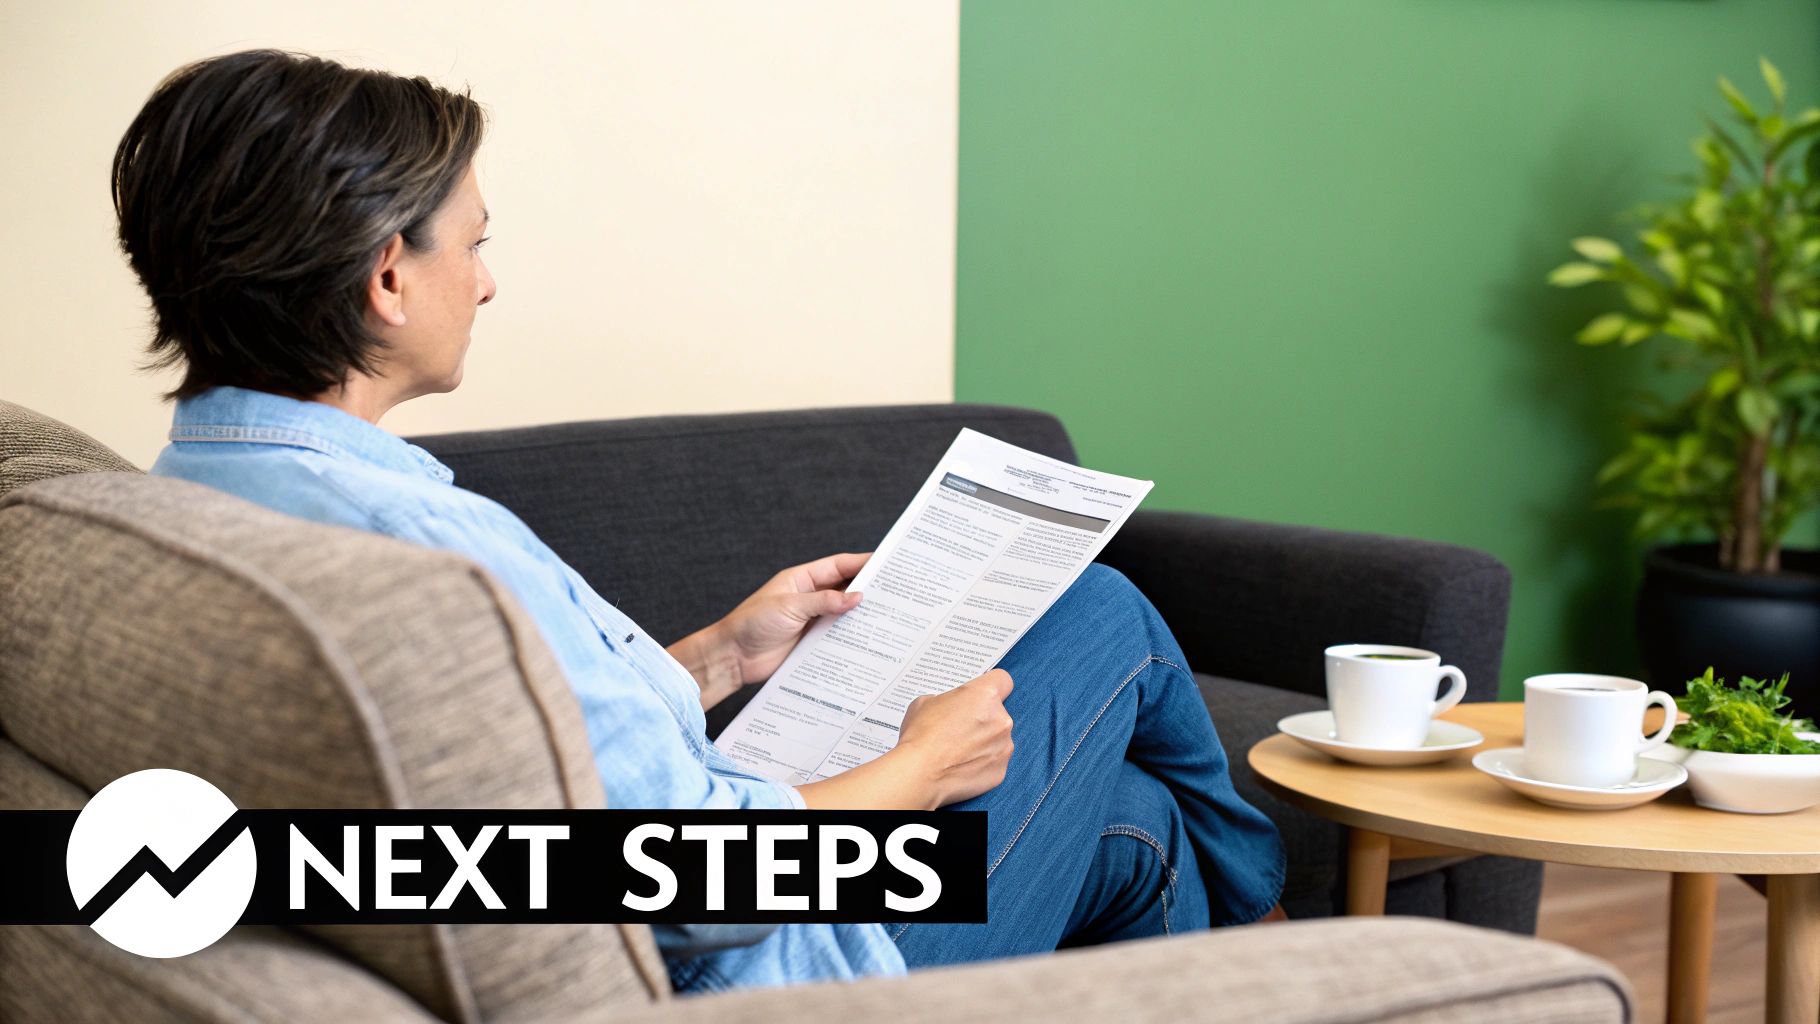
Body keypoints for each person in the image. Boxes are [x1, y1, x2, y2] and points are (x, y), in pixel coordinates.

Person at [122, 50, 1285, 992]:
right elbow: (689, 889)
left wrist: (721, 654)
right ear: (387, 277)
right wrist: (919, 768)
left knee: (1130, 824)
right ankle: (1286, 928)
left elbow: (516, 758)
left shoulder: (193, 487)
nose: (484, 283)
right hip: (782, 967)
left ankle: (1261, 959)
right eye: (472, 245)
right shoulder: (424, 554)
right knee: (1100, 607)